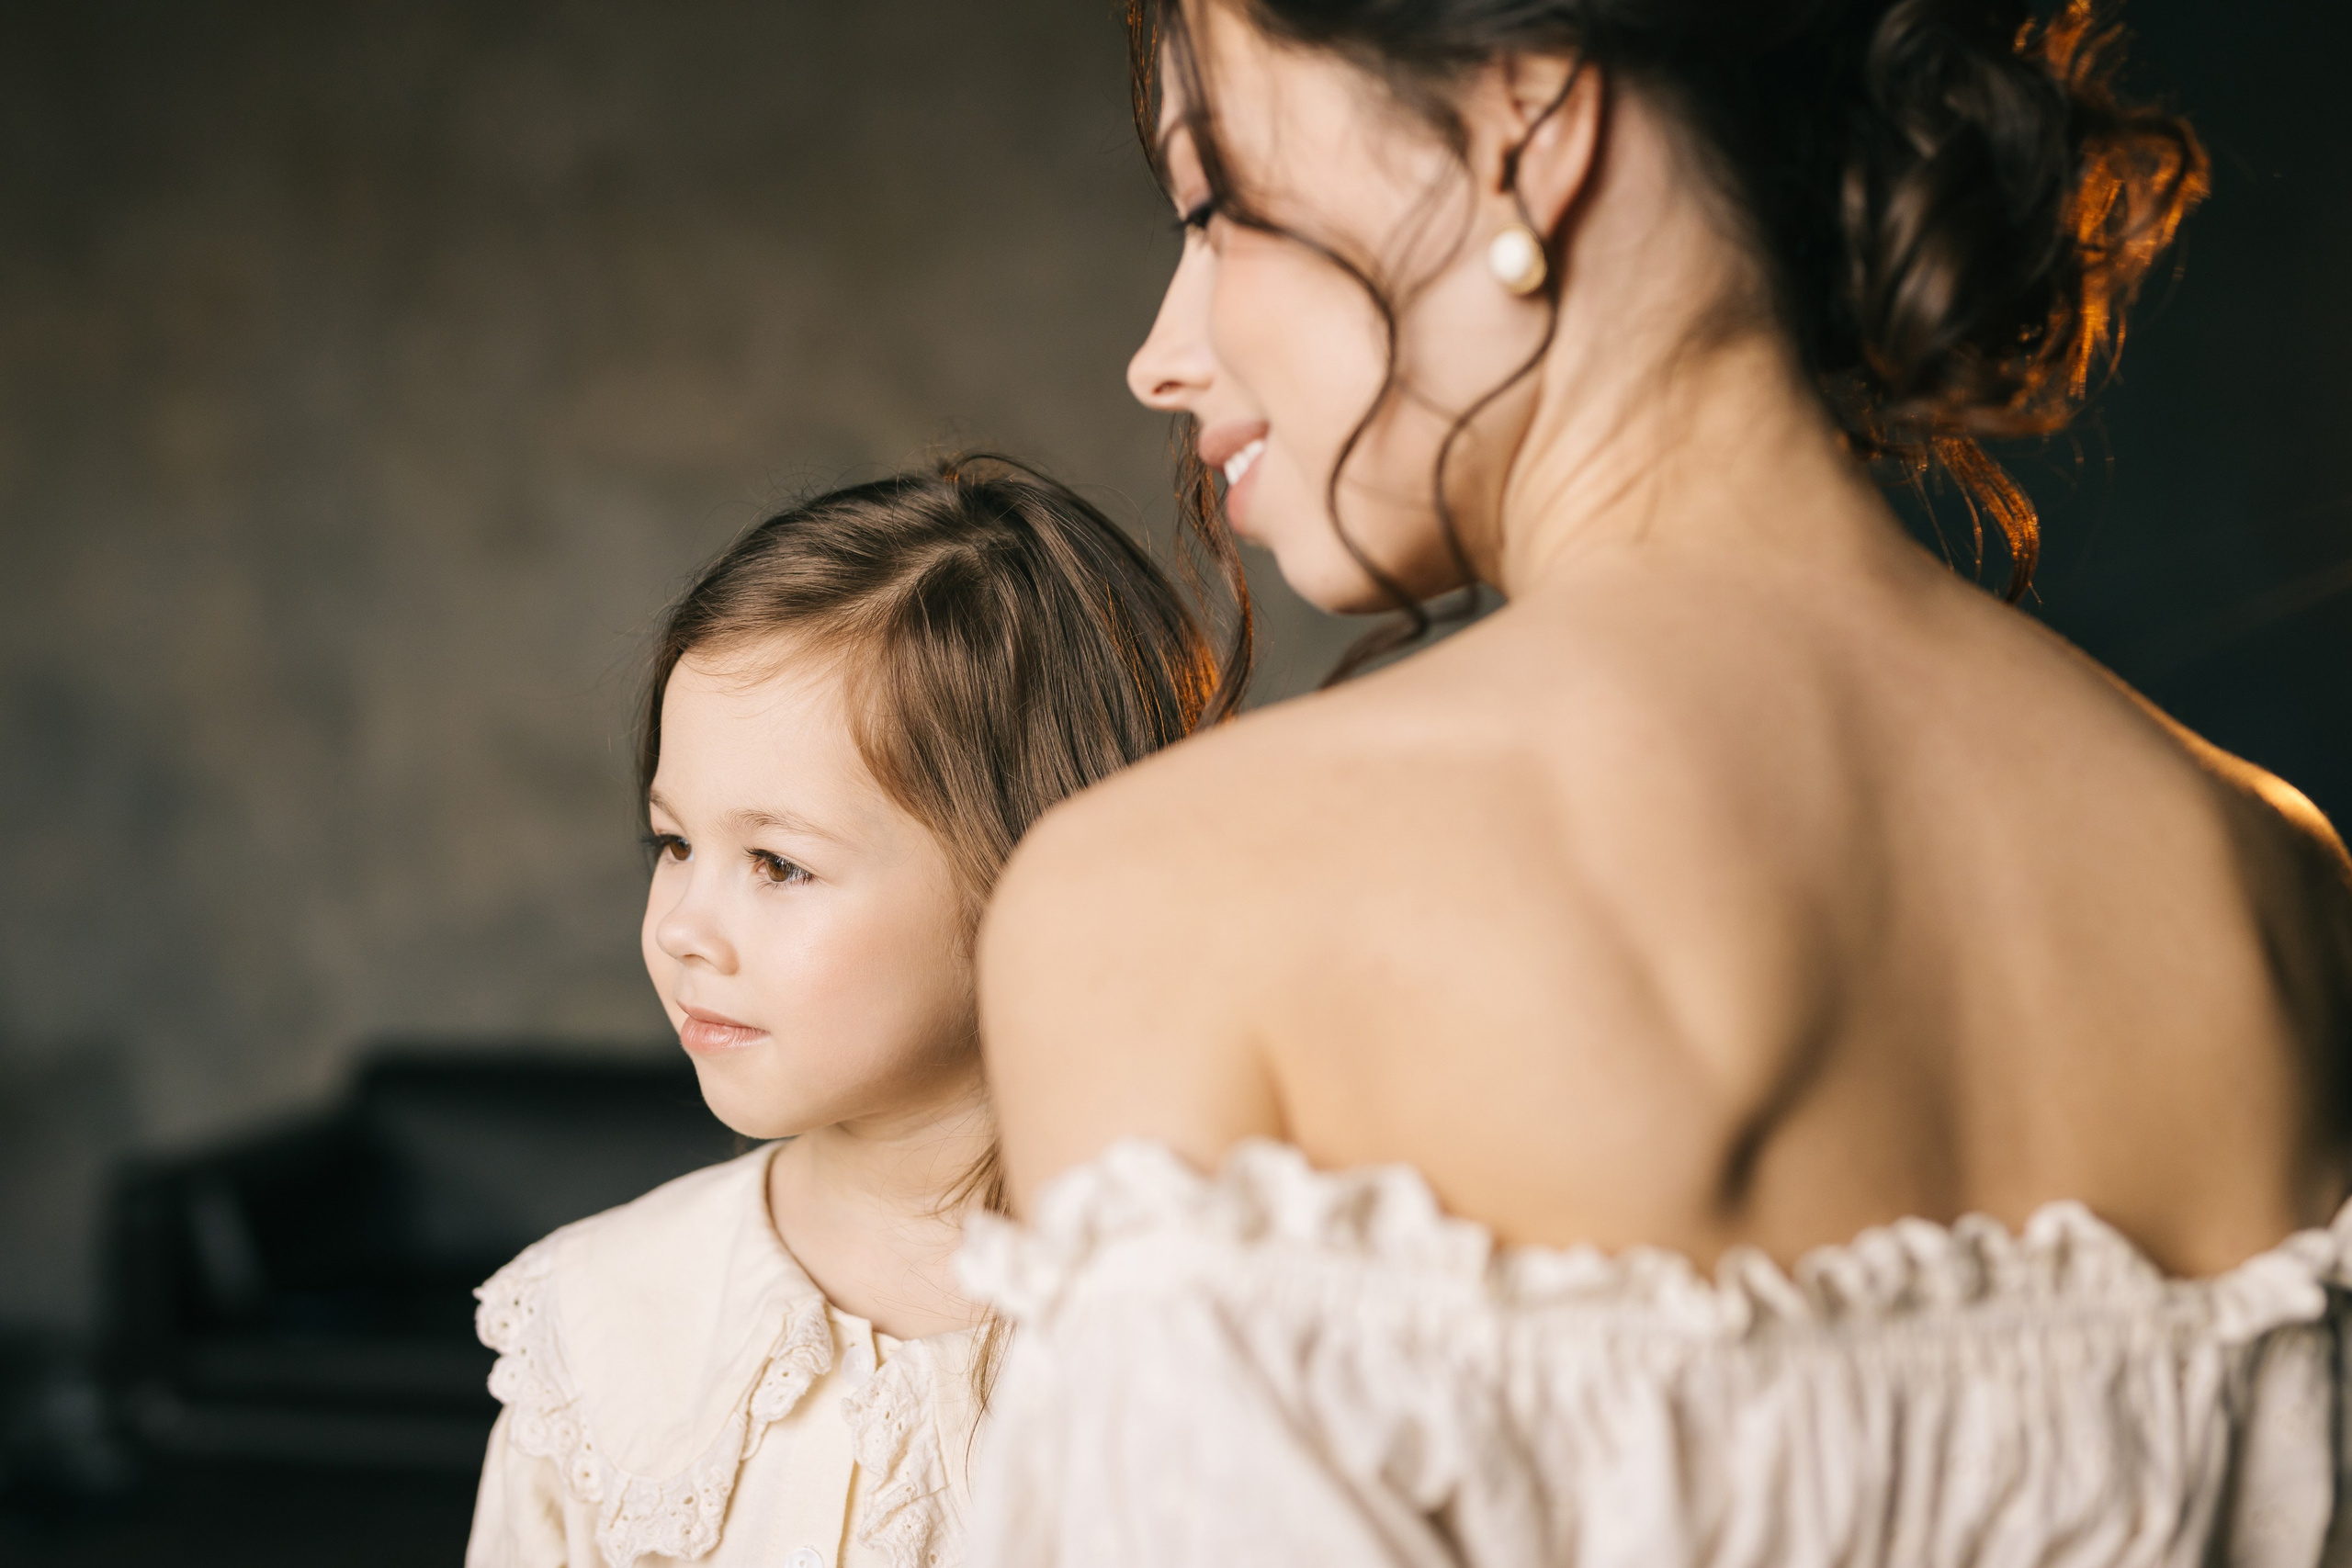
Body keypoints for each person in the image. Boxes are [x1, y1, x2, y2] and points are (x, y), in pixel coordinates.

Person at [962, 1, 2352, 1562]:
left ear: (1530, 132)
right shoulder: (2269, 877)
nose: (1163, 353)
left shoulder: (1171, 900)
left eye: (1214, 208)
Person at [463, 457, 1222, 1568]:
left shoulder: (1227, 1337)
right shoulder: (596, 1332)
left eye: (776, 864)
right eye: (675, 844)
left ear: (1032, 877)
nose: (682, 926)